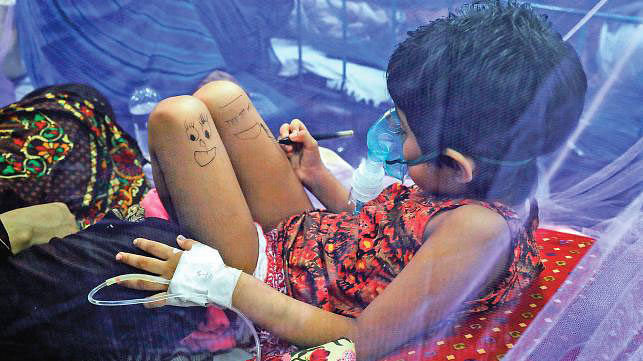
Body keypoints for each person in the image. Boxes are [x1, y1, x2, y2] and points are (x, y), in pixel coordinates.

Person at [113, 1, 587, 360]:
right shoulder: (475, 183)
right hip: (311, 242)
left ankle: (218, 319)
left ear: (458, 166)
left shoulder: (476, 230)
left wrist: (224, 285)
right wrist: (317, 175)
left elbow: (363, 338)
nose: (389, 135)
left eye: (403, 128)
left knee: (177, 117)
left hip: (279, 287)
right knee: (222, 96)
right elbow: (380, 239)